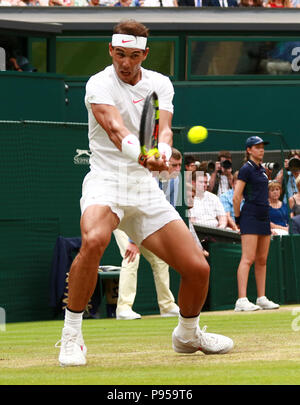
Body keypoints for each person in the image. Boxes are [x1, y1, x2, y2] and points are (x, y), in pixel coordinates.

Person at [56, 19, 233, 367]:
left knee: (198, 268)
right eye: (119, 54)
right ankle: (71, 336)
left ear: (145, 54)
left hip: (144, 189)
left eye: (134, 55)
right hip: (107, 181)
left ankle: (187, 334)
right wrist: (141, 154)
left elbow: (164, 129)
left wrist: (162, 154)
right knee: (93, 241)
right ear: (110, 50)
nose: (125, 62)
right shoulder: (97, 84)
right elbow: (114, 128)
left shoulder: (160, 84)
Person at [114, 148, 183, 320]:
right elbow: (132, 205)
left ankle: (167, 306)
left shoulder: (174, 181)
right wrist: (133, 241)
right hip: (123, 218)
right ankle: (123, 308)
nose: (177, 170)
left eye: (180, 166)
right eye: (174, 165)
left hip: (144, 219)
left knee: (160, 258)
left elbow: (168, 210)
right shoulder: (141, 175)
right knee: (132, 257)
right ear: (164, 163)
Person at [233, 136, 280, 312]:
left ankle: (261, 298)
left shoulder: (261, 170)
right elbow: (237, 197)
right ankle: (241, 300)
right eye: (257, 147)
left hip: (264, 216)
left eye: (262, 147)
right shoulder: (246, 169)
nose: (261, 149)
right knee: (248, 258)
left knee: (262, 260)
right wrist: (238, 219)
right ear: (249, 150)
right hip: (250, 216)